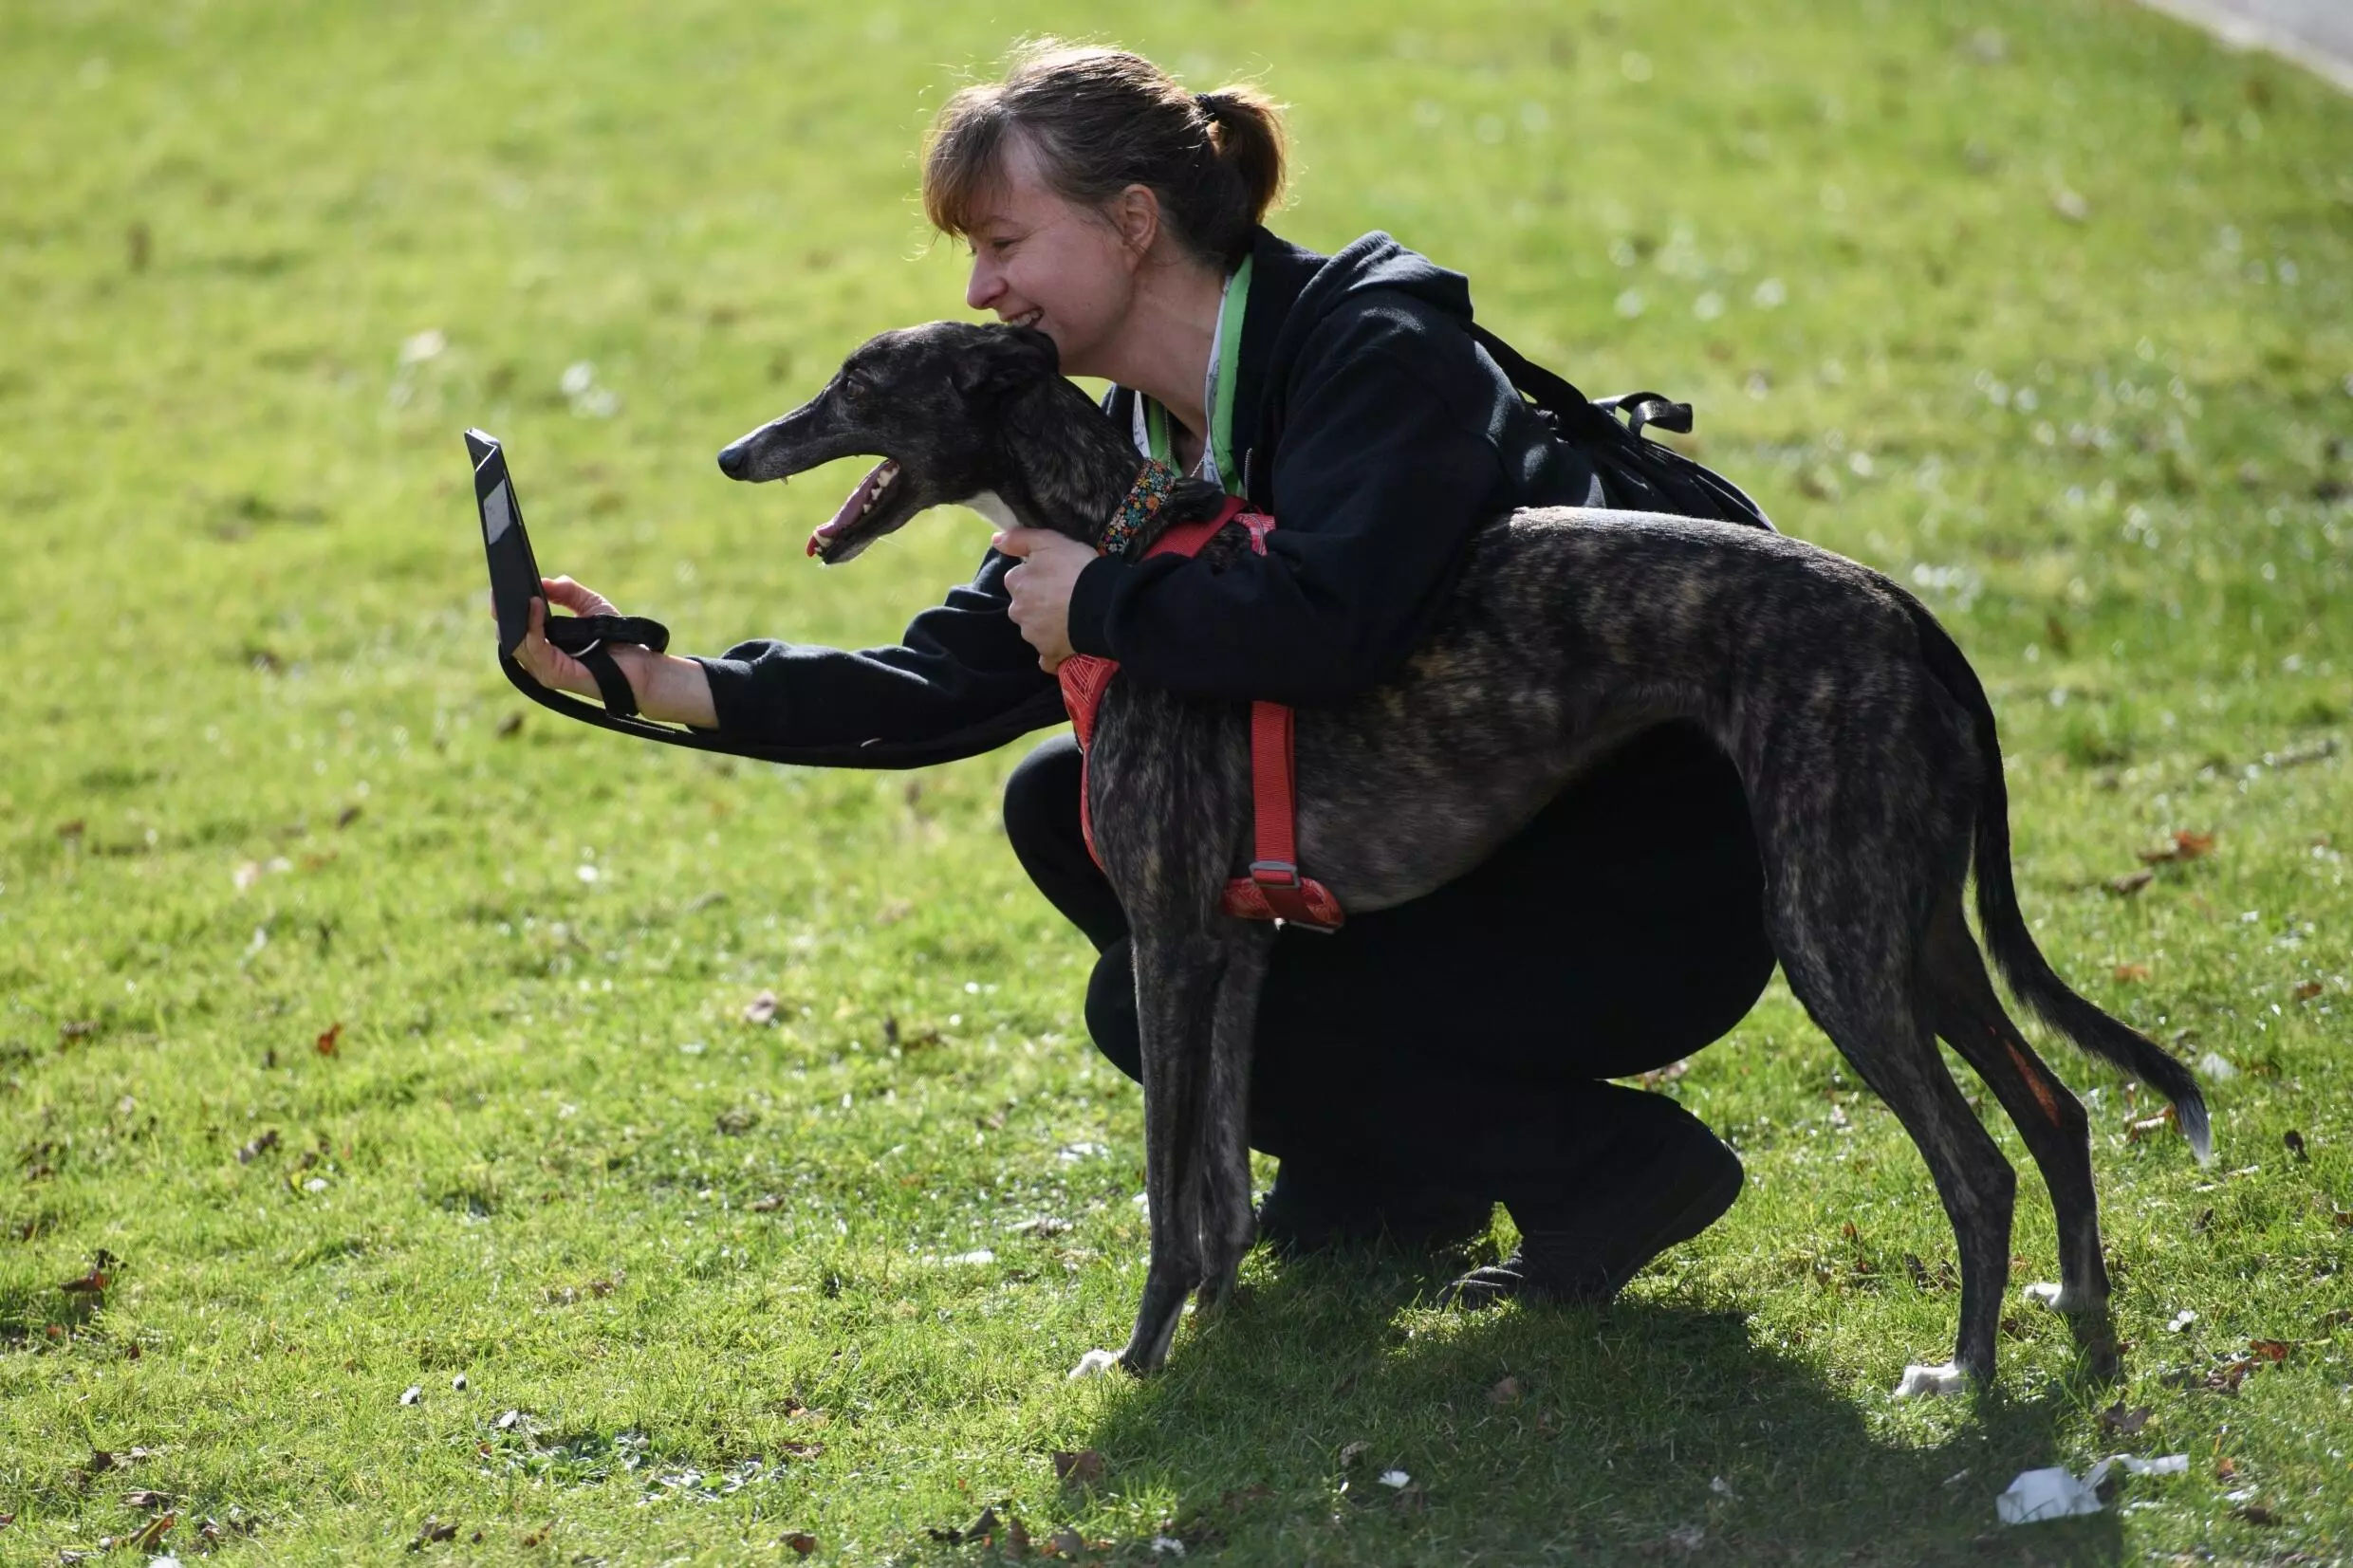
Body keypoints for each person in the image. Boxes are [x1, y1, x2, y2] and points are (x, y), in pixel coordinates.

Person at [512, 41, 1776, 1305]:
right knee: (1064, 803)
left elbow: (1342, 625)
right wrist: (662, 680)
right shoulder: (1131, 428)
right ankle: (1393, 1172)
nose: (981, 285)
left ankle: (1609, 1164)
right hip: (1441, 846)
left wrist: (1106, 596)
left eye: (1004, 242)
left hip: (1641, 887)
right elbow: (962, 671)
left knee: (1144, 1003)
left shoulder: (1371, 355)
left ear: (1130, 223)